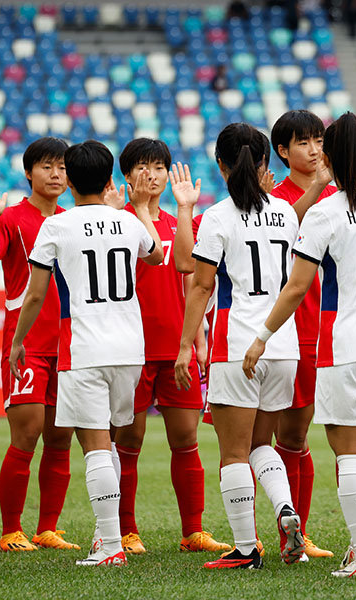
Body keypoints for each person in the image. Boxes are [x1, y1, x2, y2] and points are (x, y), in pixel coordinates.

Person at [241, 112, 356, 578]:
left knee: (348, 449)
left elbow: (297, 286)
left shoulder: (325, 211)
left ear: (330, 156)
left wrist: (261, 337)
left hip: (346, 345)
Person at [9, 139, 165, 566]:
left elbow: (35, 295)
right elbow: (156, 258)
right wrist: (141, 210)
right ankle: (104, 536)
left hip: (85, 348)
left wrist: (18, 341)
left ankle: (112, 546)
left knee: (95, 445)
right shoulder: (128, 222)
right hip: (130, 349)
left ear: (70, 180)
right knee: (111, 441)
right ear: (110, 178)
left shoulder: (57, 226)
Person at [174, 123, 305, 570]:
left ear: (220, 165)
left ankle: (247, 549)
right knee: (261, 443)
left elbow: (201, 284)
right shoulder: (286, 213)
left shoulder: (217, 216)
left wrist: (186, 345)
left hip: (237, 342)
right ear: (267, 163)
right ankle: (285, 508)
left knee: (232, 453)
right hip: (281, 343)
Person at [111, 138, 229, 555]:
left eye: (159, 167)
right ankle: (126, 530)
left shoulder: (184, 222)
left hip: (174, 347)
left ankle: (193, 531)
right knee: (129, 440)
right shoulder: (116, 221)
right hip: (129, 349)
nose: (152, 175)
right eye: (142, 167)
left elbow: (190, 279)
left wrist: (197, 339)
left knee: (186, 438)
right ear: (126, 176)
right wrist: (139, 211)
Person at [0, 137, 78, 552]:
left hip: (68, 345)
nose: (56, 175)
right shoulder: (12, 218)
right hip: (26, 343)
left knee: (60, 437)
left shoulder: (72, 220)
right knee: (26, 435)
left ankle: (46, 528)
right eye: (47, 167)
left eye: (63, 168)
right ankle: (11, 530)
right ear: (29, 173)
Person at [267, 110, 337, 560]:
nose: (314, 149)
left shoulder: (341, 198)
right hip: (282, 334)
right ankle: (264, 532)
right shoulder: (271, 201)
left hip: (326, 333)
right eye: (303, 142)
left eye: (318, 140)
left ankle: (300, 533)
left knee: (300, 438)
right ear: (281, 151)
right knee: (268, 438)